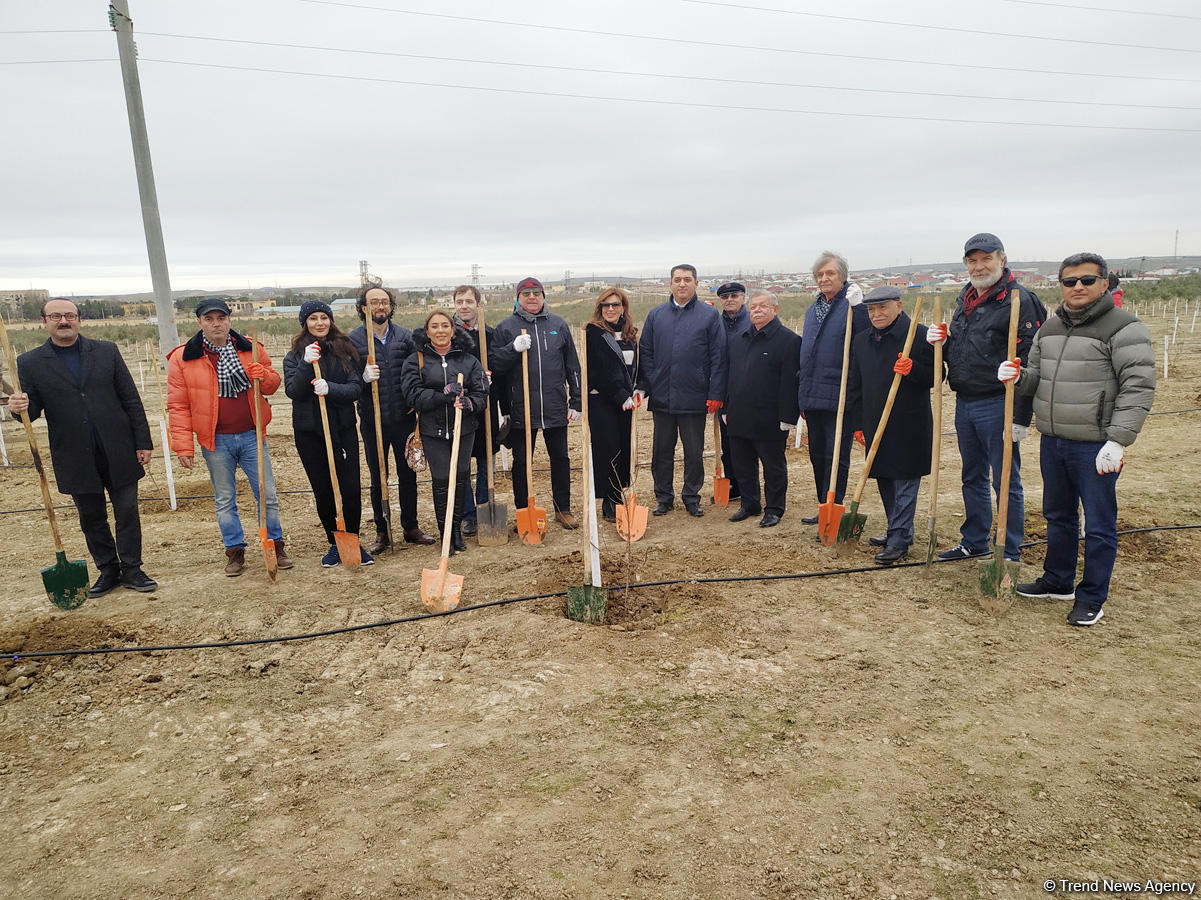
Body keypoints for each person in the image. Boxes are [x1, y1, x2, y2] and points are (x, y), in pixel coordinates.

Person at [1000, 252, 1155, 626]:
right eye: (1070, 282)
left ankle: (1092, 596)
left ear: (1105, 283)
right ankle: (1058, 580)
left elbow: (1139, 387)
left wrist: (1118, 440)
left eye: (1087, 280)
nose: (1078, 287)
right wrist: (1017, 380)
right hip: (1054, 439)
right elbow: (1036, 377)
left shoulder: (1124, 328)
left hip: (1096, 444)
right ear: (1062, 286)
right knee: (1058, 515)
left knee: (1099, 525)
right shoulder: (1049, 329)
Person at [6, 298, 156, 595]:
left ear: (79, 320)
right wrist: (17, 407)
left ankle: (132, 569)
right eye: (56, 316)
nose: (64, 321)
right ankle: (108, 570)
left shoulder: (106, 351)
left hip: (118, 448)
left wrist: (143, 442)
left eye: (69, 315)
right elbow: (31, 409)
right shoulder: (30, 362)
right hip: (74, 454)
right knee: (91, 517)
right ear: (44, 321)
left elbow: (130, 400)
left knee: (127, 512)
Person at [926, 233, 1046, 562]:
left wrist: (1021, 417)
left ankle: (1008, 549)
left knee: (1005, 478)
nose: (979, 267)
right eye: (972, 261)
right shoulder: (964, 300)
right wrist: (942, 343)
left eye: (986, 259)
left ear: (1002, 260)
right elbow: (964, 352)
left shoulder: (1019, 299)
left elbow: (1031, 360)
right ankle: (974, 540)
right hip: (965, 401)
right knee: (972, 475)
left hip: (999, 402)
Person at [166, 298, 292, 575]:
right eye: (209, 319)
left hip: (252, 435)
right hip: (215, 440)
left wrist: (265, 375)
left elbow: (272, 387)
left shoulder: (251, 349)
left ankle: (275, 545)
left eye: (220, 318)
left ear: (229, 320)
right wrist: (183, 446)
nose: (216, 324)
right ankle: (234, 550)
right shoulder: (183, 357)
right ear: (199, 322)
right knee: (225, 499)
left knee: (267, 494)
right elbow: (178, 405)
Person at [846, 287, 935, 565]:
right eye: (871, 310)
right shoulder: (862, 340)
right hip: (875, 421)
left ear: (898, 305)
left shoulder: (918, 335)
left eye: (882, 307)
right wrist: (858, 422)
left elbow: (937, 375)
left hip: (910, 422)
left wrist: (913, 370)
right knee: (884, 476)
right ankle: (898, 530)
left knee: (906, 480)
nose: (876, 314)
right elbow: (855, 384)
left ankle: (898, 539)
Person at [348, 284, 436, 553]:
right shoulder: (354, 340)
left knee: (407, 473)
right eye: (374, 302)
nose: (380, 307)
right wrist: (363, 380)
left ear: (391, 306)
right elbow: (349, 379)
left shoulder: (404, 337)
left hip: (403, 418)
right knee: (378, 476)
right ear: (364, 307)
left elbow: (417, 370)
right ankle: (382, 530)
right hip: (372, 420)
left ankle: (410, 526)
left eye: (384, 302)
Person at [283, 300, 371, 567]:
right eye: (313, 318)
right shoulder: (295, 356)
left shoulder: (344, 350)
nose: (319, 322)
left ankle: (352, 540)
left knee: (350, 489)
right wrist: (306, 365)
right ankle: (334, 543)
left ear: (330, 320)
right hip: (310, 433)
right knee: (323, 490)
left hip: (342, 430)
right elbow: (293, 391)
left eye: (324, 317)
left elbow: (355, 389)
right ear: (304, 323)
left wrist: (330, 388)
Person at [489, 277, 583, 529]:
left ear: (543, 296)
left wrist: (576, 401)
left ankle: (562, 509)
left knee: (560, 459)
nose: (532, 297)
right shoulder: (506, 327)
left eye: (536, 293)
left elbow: (572, 366)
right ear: (518, 298)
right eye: (526, 293)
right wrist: (512, 348)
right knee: (522, 462)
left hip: (554, 406)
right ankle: (524, 509)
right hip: (521, 408)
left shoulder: (558, 325)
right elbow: (495, 366)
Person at [637, 263, 727, 517]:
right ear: (671, 284)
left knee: (693, 452)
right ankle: (663, 497)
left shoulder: (709, 316)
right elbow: (646, 351)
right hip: (663, 397)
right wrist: (653, 380)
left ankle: (691, 497)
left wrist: (715, 393)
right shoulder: (656, 316)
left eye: (687, 279)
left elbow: (718, 356)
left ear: (696, 283)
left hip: (695, 397)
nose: (682, 284)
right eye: (677, 279)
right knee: (661, 451)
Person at [401, 310, 488, 554]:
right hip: (432, 430)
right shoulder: (416, 360)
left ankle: (457, 531)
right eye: (434, 326)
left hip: (464, 429)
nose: (440, 330)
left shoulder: (468, 360)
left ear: (453, 329)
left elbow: (482, 391)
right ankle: (445, 533)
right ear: (427, 331)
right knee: (441, 481)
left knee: (460, 478)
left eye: (445, 326)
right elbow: (412, 395)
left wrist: (471, 403)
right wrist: (443, 396)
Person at [796, 251, 870, 526]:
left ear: (843, 277)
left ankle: (835, 505)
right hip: (812, 393)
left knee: (837, 456)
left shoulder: (851, 305)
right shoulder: (812, 309)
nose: (824, 278)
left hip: (839, 393)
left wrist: (860, 307)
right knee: (818, 455)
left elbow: (863, 337)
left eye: (830, 273)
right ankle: (823, 505)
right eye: (820, 274)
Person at [723, 289, 800, 528]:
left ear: (774, 310)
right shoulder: (738, 339)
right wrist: (726, 408)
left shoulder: (788, 341)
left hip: (770, 418)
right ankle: (750, 503)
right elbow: (730, 376)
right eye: (753, 306)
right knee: (743, 465)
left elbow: (791, 382)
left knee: (773, 467)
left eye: (762, 306)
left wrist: (788, 417)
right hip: (739, 414)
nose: (757, 310)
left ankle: (774, 508)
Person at [451, 284, 509, 537]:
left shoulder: (490, 334)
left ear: (478, 305)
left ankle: (485, 505)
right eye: (459, 301)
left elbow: (503, 372)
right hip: (459, 408)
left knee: (487, 460)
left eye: (469, 301)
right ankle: (468, 515)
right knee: (462, 462)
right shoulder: (447, 334)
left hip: (487, 408)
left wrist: (505, 408)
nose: (464, 306)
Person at [584, 287, 639, 522]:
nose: (610, 309)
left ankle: (619, 496)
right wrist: (620, 395)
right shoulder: (594, 333)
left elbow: (634, 367)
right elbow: (598, 371)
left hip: (626, 402)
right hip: (602, 401)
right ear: (600, 309)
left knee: (624, 449)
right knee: (608, 450)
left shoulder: (629, 335)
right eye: (605, 305)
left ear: (623, 308)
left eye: (615, 305)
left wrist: (638, 389)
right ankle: (609, 501)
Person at [715, 281, 748, 505]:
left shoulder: (752, 319)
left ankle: (749, 487)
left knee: (746, 443)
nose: (730, 299)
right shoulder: (716, 323)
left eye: (734, 295)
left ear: (743, 297)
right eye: (725, 296)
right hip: (723, 390)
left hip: (748, 390)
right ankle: (734, 485)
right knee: (727, 443)